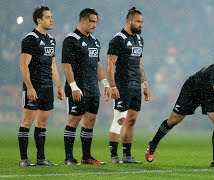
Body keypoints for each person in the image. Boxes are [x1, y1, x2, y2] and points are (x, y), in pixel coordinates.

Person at [62, 8, 111, 165]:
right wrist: (74, 86)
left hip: (92, 89)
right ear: (82, 20)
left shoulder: (94, 41)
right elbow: (66, 65)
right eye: (91, 21)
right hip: (78, 87)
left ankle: (86, 157)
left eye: (96, 22)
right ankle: (69, 158)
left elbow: (97, 65)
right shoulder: (71, 39)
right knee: (73, 120)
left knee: (90, 121)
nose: (94, 25)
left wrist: (105, 84)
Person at [18, 6, 65, 167]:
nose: (51, 20)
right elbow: (24, 66)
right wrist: (29, 87)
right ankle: (24, 159)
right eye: (48, 17)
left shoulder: (51, 40)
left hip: (47, 88)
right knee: (26, 123)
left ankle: (41, 158)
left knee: (42, 124)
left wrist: (59, 85)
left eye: (51, 17)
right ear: (39, 20)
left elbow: (52, 64)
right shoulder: (30, 39)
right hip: (34, 87)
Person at [106, 7, 151, 163]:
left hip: (135, 86)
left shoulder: (139, 40)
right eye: (138, 21)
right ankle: (113, 155)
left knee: (131, 120)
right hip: (122, 84)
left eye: (142, 22)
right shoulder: (118, 39)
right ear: (129, 21)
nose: (140, 25)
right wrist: (112, 86)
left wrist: (144, 85)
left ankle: (127, 155)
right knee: (119, 119)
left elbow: (139, 64)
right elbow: (110, 64)